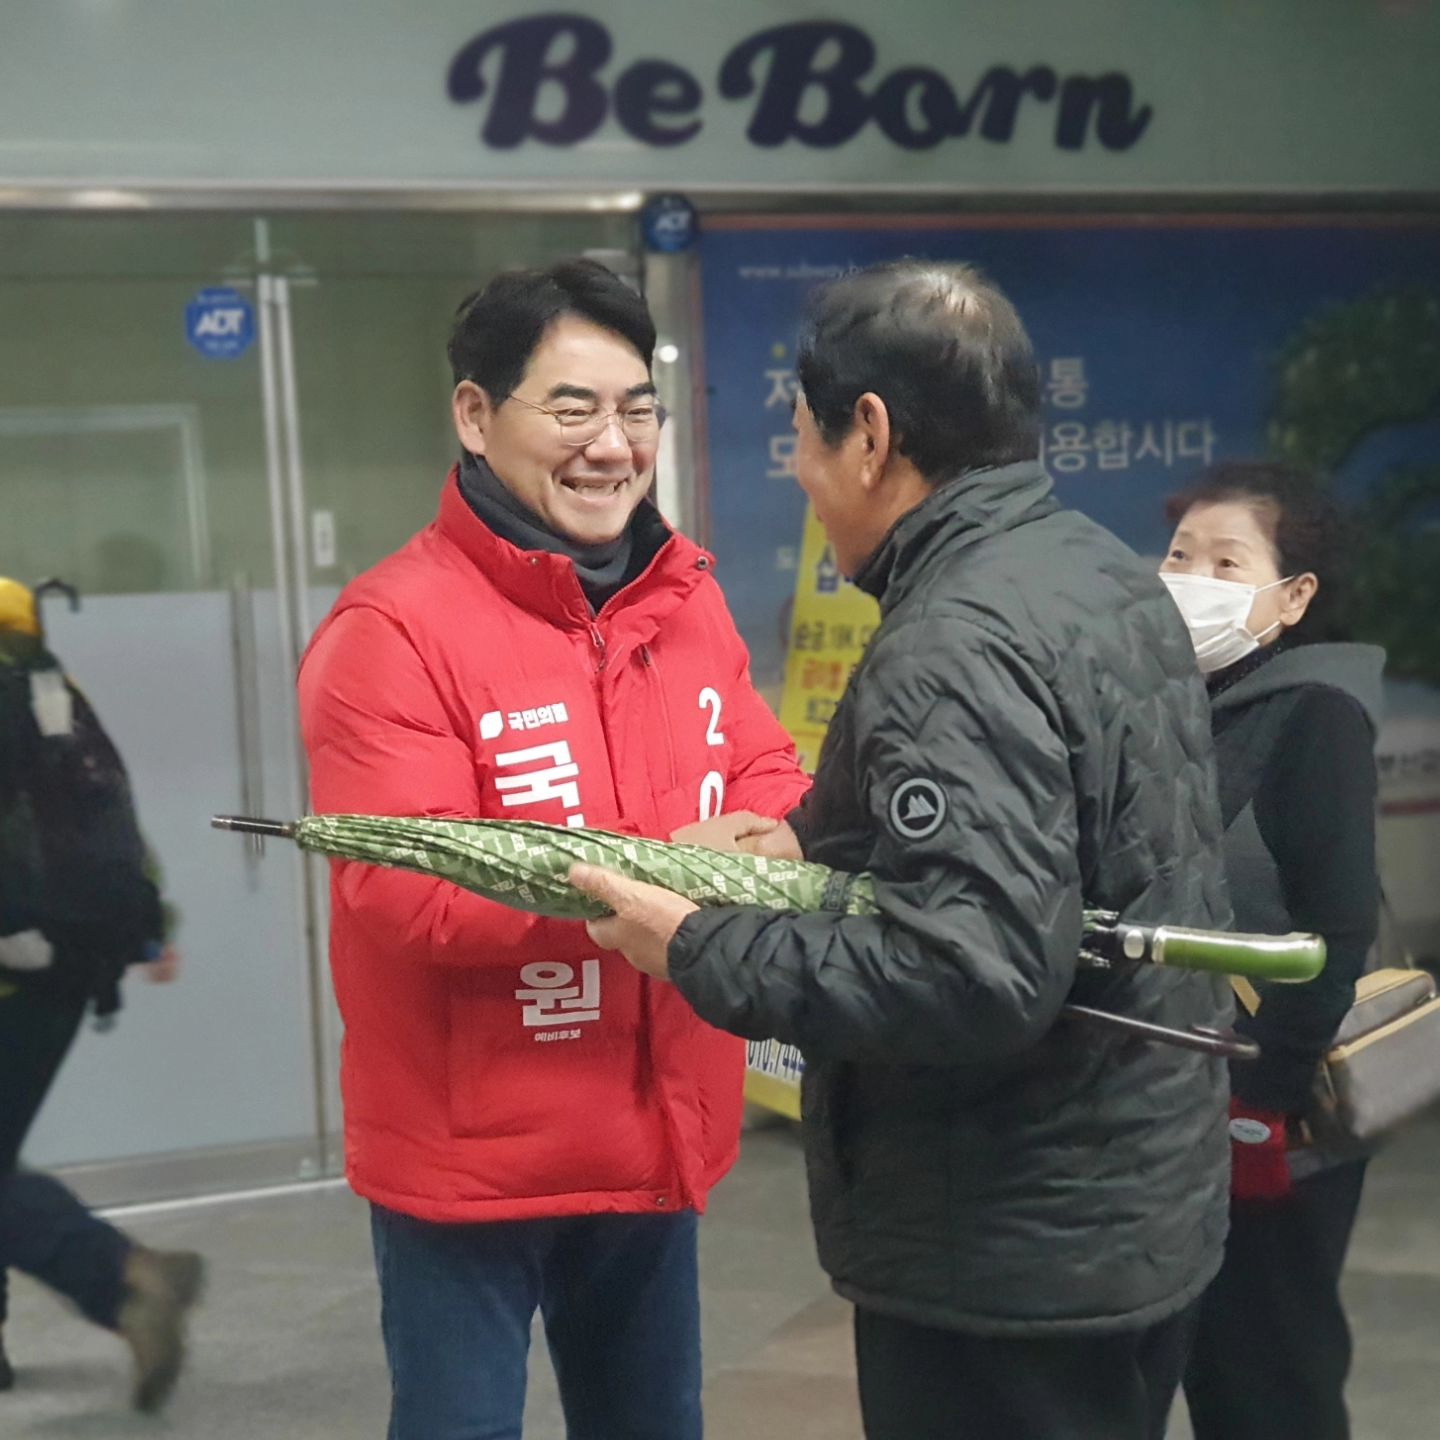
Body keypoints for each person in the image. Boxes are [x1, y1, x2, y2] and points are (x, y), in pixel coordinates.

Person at [569, 260, 1233, 1440]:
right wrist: (803, 839)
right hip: (1132, 1204)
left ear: (870, 435)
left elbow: (970, 974)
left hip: (1003, 1249)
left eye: (802, 437)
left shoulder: (953, 638)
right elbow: (1055, 831)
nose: (798, 471)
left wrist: (701, 943)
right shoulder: (1092, 568)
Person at [297, 259, 808, 1440]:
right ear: (476, 416)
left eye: (637, 410)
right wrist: (666, 876)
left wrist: (777, 836)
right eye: (573, 408)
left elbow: (764, 768)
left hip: (656, 1124)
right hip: (471, 1159)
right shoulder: (393, 628)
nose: (612, 446)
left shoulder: (683, 595)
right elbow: (405, 887)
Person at [1159, 463, 1384, 1440]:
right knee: (1209, 1364)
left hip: (1273, 1116)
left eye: (1226, 562)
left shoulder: (1315, 714)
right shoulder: (1181, 704)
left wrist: (1265, 1104)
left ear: (1293, 597)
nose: (1192, 579)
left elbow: (1338, 928)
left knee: (1269, 1381)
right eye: (1180, 556)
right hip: (1179, 1108)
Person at [0, 576, 202, 1412]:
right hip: (66, 966)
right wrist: (149, 928)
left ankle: (124, 1280)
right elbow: (105, 811)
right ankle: (125, 1282)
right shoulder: (45, 682)